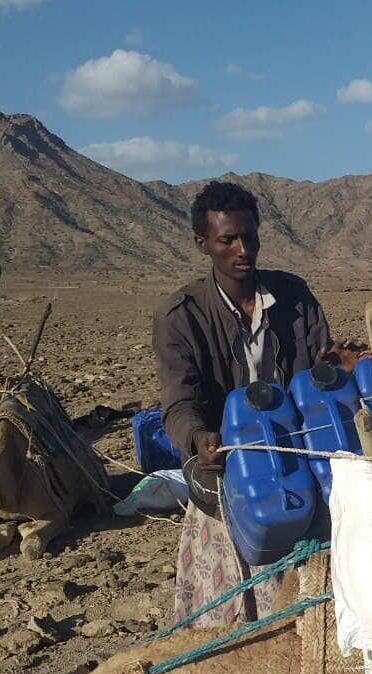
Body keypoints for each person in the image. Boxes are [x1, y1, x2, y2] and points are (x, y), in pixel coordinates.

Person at [153, 181, 359, 628]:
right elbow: (178, 401)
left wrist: (335, 370)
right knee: (233, 624)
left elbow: (316, 380)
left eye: (250, 237)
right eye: (227, 240)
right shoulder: (181, 316)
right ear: (203, 244)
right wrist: (198, 439)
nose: (242, 250)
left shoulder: (294, 299)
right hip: (229, 476)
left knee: (321, 608)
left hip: (300, 468)